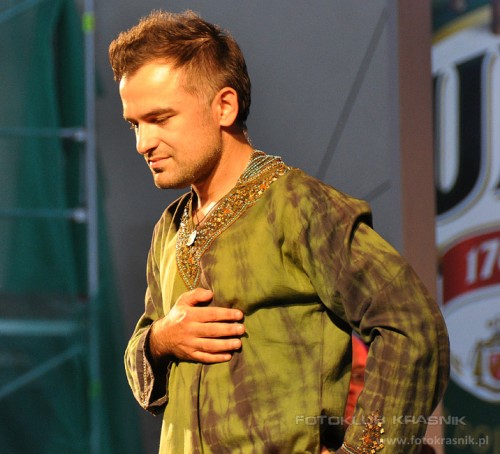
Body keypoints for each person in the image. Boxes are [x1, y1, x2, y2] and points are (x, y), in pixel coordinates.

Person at [109, 10, 450, 453]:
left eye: (160, 118)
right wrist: (160, 340)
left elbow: (412, 326)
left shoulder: (298, 206)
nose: (143, 143)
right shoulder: (169, 228)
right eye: (134, 124)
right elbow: (143, 376)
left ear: (224, 106)